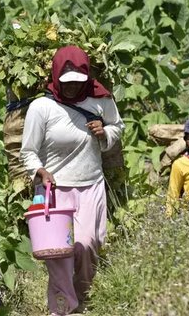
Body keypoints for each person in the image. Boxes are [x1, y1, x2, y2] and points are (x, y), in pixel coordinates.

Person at [20, 45, 124, 315]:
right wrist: (39, 172)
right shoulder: (41, 107)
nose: (70, 88)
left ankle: (82, 295)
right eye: (65, 83)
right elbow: (28, 151)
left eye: (77, 83)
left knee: (88, 244)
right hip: (54, 190)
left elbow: (117, 126)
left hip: (90, 184)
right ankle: (63, 307)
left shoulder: (100, 100)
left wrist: (104, 133)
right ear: (55, 76)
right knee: (59, 254)